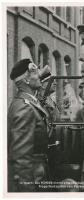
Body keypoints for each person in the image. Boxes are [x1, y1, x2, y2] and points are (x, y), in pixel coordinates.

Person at [8, 59, 51, 192]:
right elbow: (21, 159)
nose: (39, 75)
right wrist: (27, 192)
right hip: (32, 179)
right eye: (34, 71)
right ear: (26, 80)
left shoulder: (28, 103)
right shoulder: (24, 107)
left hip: (37, 174)